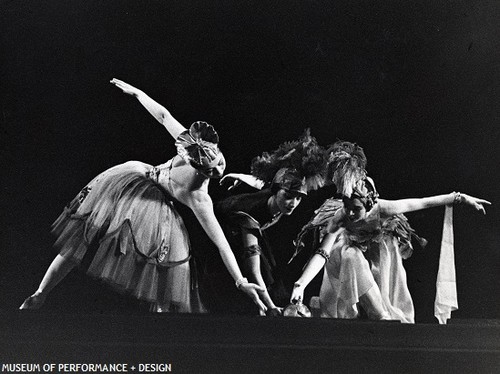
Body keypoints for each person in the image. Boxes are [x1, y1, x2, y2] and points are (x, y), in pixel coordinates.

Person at [19, 78, 266, 313]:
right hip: (135, 187)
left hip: (143, 186)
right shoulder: (196, 185)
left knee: (167, 259)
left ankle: (156, 315)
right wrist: (138, 93)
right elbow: (163, 116)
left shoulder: (197, 169)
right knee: (88, 235)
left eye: (220, 163)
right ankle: (41, 292)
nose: (219, 169)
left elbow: (221, 243)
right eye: (212, 169)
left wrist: (240, 281)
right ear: (196, 166)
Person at [290, 141, 491, 323]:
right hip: (350, 257)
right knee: (349, 254)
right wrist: (301, 284)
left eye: (356, 209)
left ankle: (381, 315)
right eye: (347, 206)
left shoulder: (383, 208)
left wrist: (461, 198)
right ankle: (375, 314)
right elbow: (323, 252)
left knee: (369, 268)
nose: (350, 213)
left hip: (379, 254)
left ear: (368, 205)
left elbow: (422, 202)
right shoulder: (341, 216)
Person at [203, 131, 327, 315]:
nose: (293, 204)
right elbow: (253, 270)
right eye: (288, 197)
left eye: (299, 198)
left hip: (243, 229)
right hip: (216, 231)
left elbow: (264, 184)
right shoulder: (251, 215)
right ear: (276, 192)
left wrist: (239, 176)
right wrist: (271, 307)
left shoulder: (274, 193)